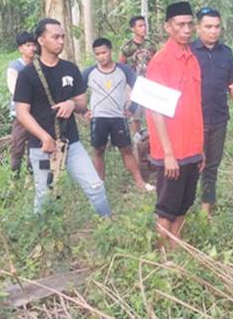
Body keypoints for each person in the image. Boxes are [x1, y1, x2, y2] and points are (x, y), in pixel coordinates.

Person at [13, 19, 112, 216]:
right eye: (55, 37)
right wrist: (44, 137)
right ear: (41, 40)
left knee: (95, 187)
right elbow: (22, 112)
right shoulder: (28, 74)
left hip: (71, 144)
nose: (61, 41)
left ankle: (108, 227)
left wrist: (72, 104)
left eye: (62, 37)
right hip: (41, 149)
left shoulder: (70, 69)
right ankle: (42, 236)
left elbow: (82, 103)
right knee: (44, 195)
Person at [146, 2, 204, 250]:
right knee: (167, 208)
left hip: (192, 147)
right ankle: (162, 257)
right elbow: (156, 110)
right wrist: (168, 153)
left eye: (190, 24)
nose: (187, 29)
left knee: (184, 203)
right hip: (171, 151)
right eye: (180, 24)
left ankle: (175, 249)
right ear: (167, 27)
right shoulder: (160, 62)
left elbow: (195, 105)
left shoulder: (193, 58)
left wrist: (200, 149)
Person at [192, 7, 233, 215]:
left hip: (218, 118)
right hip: (194, 121)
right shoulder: (189, 52)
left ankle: (206, 210)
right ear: (198, 28)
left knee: (212, 166)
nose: (213, 31)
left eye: (217, 27)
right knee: (192, 166)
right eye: (208, 27)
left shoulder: (226, 53)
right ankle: (184, 207)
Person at [82, 38, 152, 191]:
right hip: (98, 118)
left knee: (126, 149)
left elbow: (139, 88)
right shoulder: (89, 72)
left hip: (118, 117)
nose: (102, 56)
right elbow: (77, 93)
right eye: (98, 54)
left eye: (104, 52)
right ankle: (99, 184)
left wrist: (132, 109)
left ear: (111, 51)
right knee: (98, 150)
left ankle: (139, 182)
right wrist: (83, 111)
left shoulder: (123, 70)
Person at [119, 15, 158, 138]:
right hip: (133, 85)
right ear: (133, 29)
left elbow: (156, 64)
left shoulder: (151, 46)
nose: (143, 28)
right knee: (135, 116)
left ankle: (152, 141)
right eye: (140, 26)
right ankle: (137, 141)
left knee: (153, 114)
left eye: (144, 25)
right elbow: (121, 67)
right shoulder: (127, 47)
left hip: (149, 84)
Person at [6, 32, 36, 177]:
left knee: (35, 146)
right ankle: (14, 177)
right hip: (20, 113)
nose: (32, 48)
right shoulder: (15, 67)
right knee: (17, 145)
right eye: (28, 45)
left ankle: (31, 178)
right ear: (21, 48)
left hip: (36, 113)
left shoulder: (38, 65)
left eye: (33, 45)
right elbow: (14, 90)